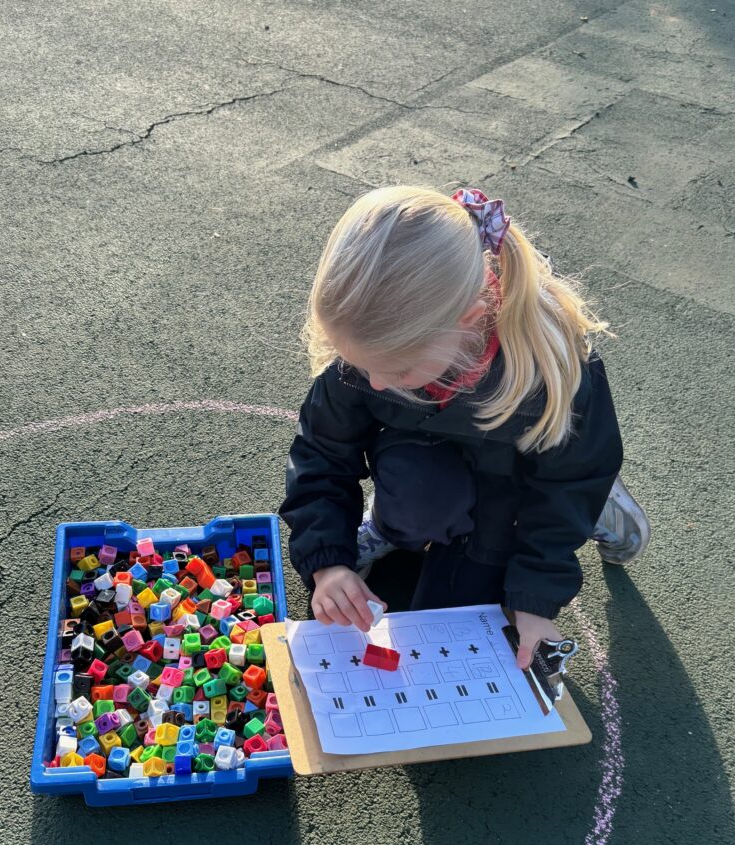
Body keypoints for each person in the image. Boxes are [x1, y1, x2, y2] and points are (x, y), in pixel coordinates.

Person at [278, 185, 651, 670]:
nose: (371, 382)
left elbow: (570, 480)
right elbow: (321, 455)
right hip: (426, 447)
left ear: (470, 320)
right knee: (418, 500)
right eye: (360, 366)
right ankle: (393, 522)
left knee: (474, 609)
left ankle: (600, 506)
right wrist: (328, 559)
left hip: (520, 474)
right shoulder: (372, 350)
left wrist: (535, 596)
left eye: (397, 372)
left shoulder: (552, 368)